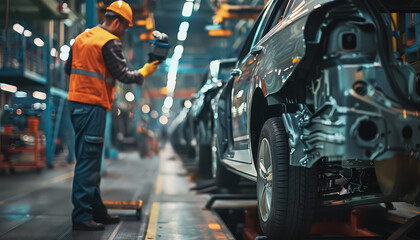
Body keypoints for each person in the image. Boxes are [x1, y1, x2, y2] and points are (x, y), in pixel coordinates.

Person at [64, 0, 158, 231]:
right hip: (93, 105)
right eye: (125, 27)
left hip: (76, 105)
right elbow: (123, 75)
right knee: (88, 162)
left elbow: (69, 69)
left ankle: (96, 211)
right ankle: (82, 216)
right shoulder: (109, 41)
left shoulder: (83, 38)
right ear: (116, 22)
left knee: (89, 159)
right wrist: (146, 70)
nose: (125, 31)